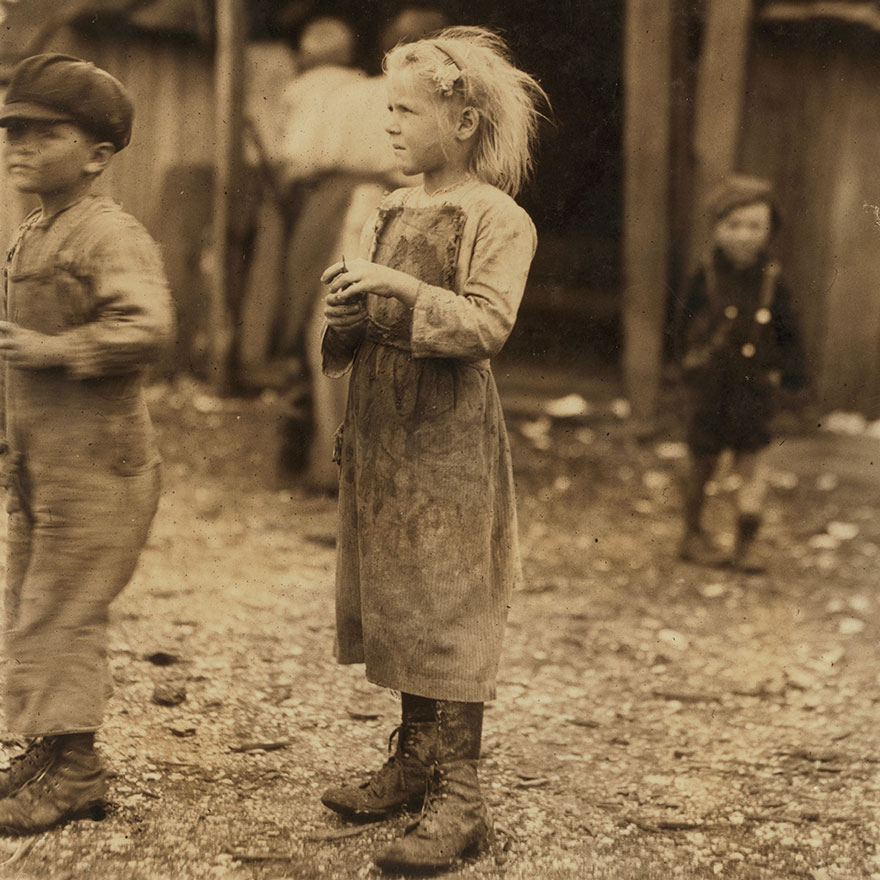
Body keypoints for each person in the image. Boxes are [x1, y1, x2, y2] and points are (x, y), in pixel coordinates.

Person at [318, 26, 546, 873]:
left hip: (447, 435)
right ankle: (415, 758)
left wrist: (399, 286)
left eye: (406, 111)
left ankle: (462, 794)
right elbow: (358, 328)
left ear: (462, 122)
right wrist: (344, 313)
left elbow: (485, 325)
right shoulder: (388, 207)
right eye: (389, 109)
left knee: (448, 597)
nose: (391, 125)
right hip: (382, 428)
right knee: (399, 588)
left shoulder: (499, 218)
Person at [0, 54, 174, 833]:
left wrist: (57, 351)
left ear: (100, 155)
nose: (20, 148)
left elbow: (146, 327)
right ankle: (52, 743)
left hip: (102, 469)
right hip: (45, 468)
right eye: (12, 133)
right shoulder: (32, 231)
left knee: (62, 611)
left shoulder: (109, 234)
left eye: (45, 134)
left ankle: (76, 771)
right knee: (31, 605)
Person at [675, 175, 808, 572]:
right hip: (711, 386)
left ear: (769, 231)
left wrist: (795, 377)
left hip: (754, 388)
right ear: (716, 228)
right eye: (733, 226)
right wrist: (683, 362)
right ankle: (692, 532)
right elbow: (681, 323)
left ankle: (745, 543)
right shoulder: (705, 275)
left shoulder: (773, 279)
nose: (743, 236)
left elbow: (789, 331)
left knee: (752, 463)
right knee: (702, 460)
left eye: (755, 227)